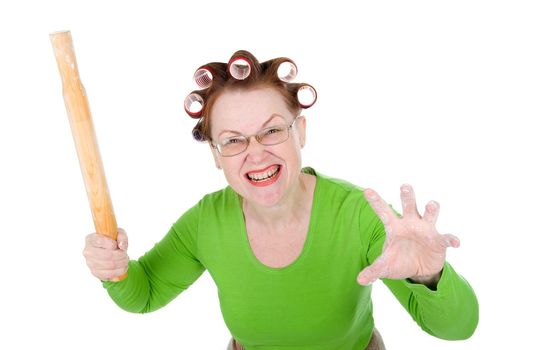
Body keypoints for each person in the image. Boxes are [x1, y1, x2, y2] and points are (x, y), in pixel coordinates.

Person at [82, 50, 479, 350]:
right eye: (234, 140)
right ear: (216, 156)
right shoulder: (205, 222)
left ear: (300, 132)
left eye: (271, 132)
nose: (255, 154)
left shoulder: (358, 215)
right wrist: (114, 270)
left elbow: (457, 328)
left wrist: (430, 277)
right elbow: (144, 293)